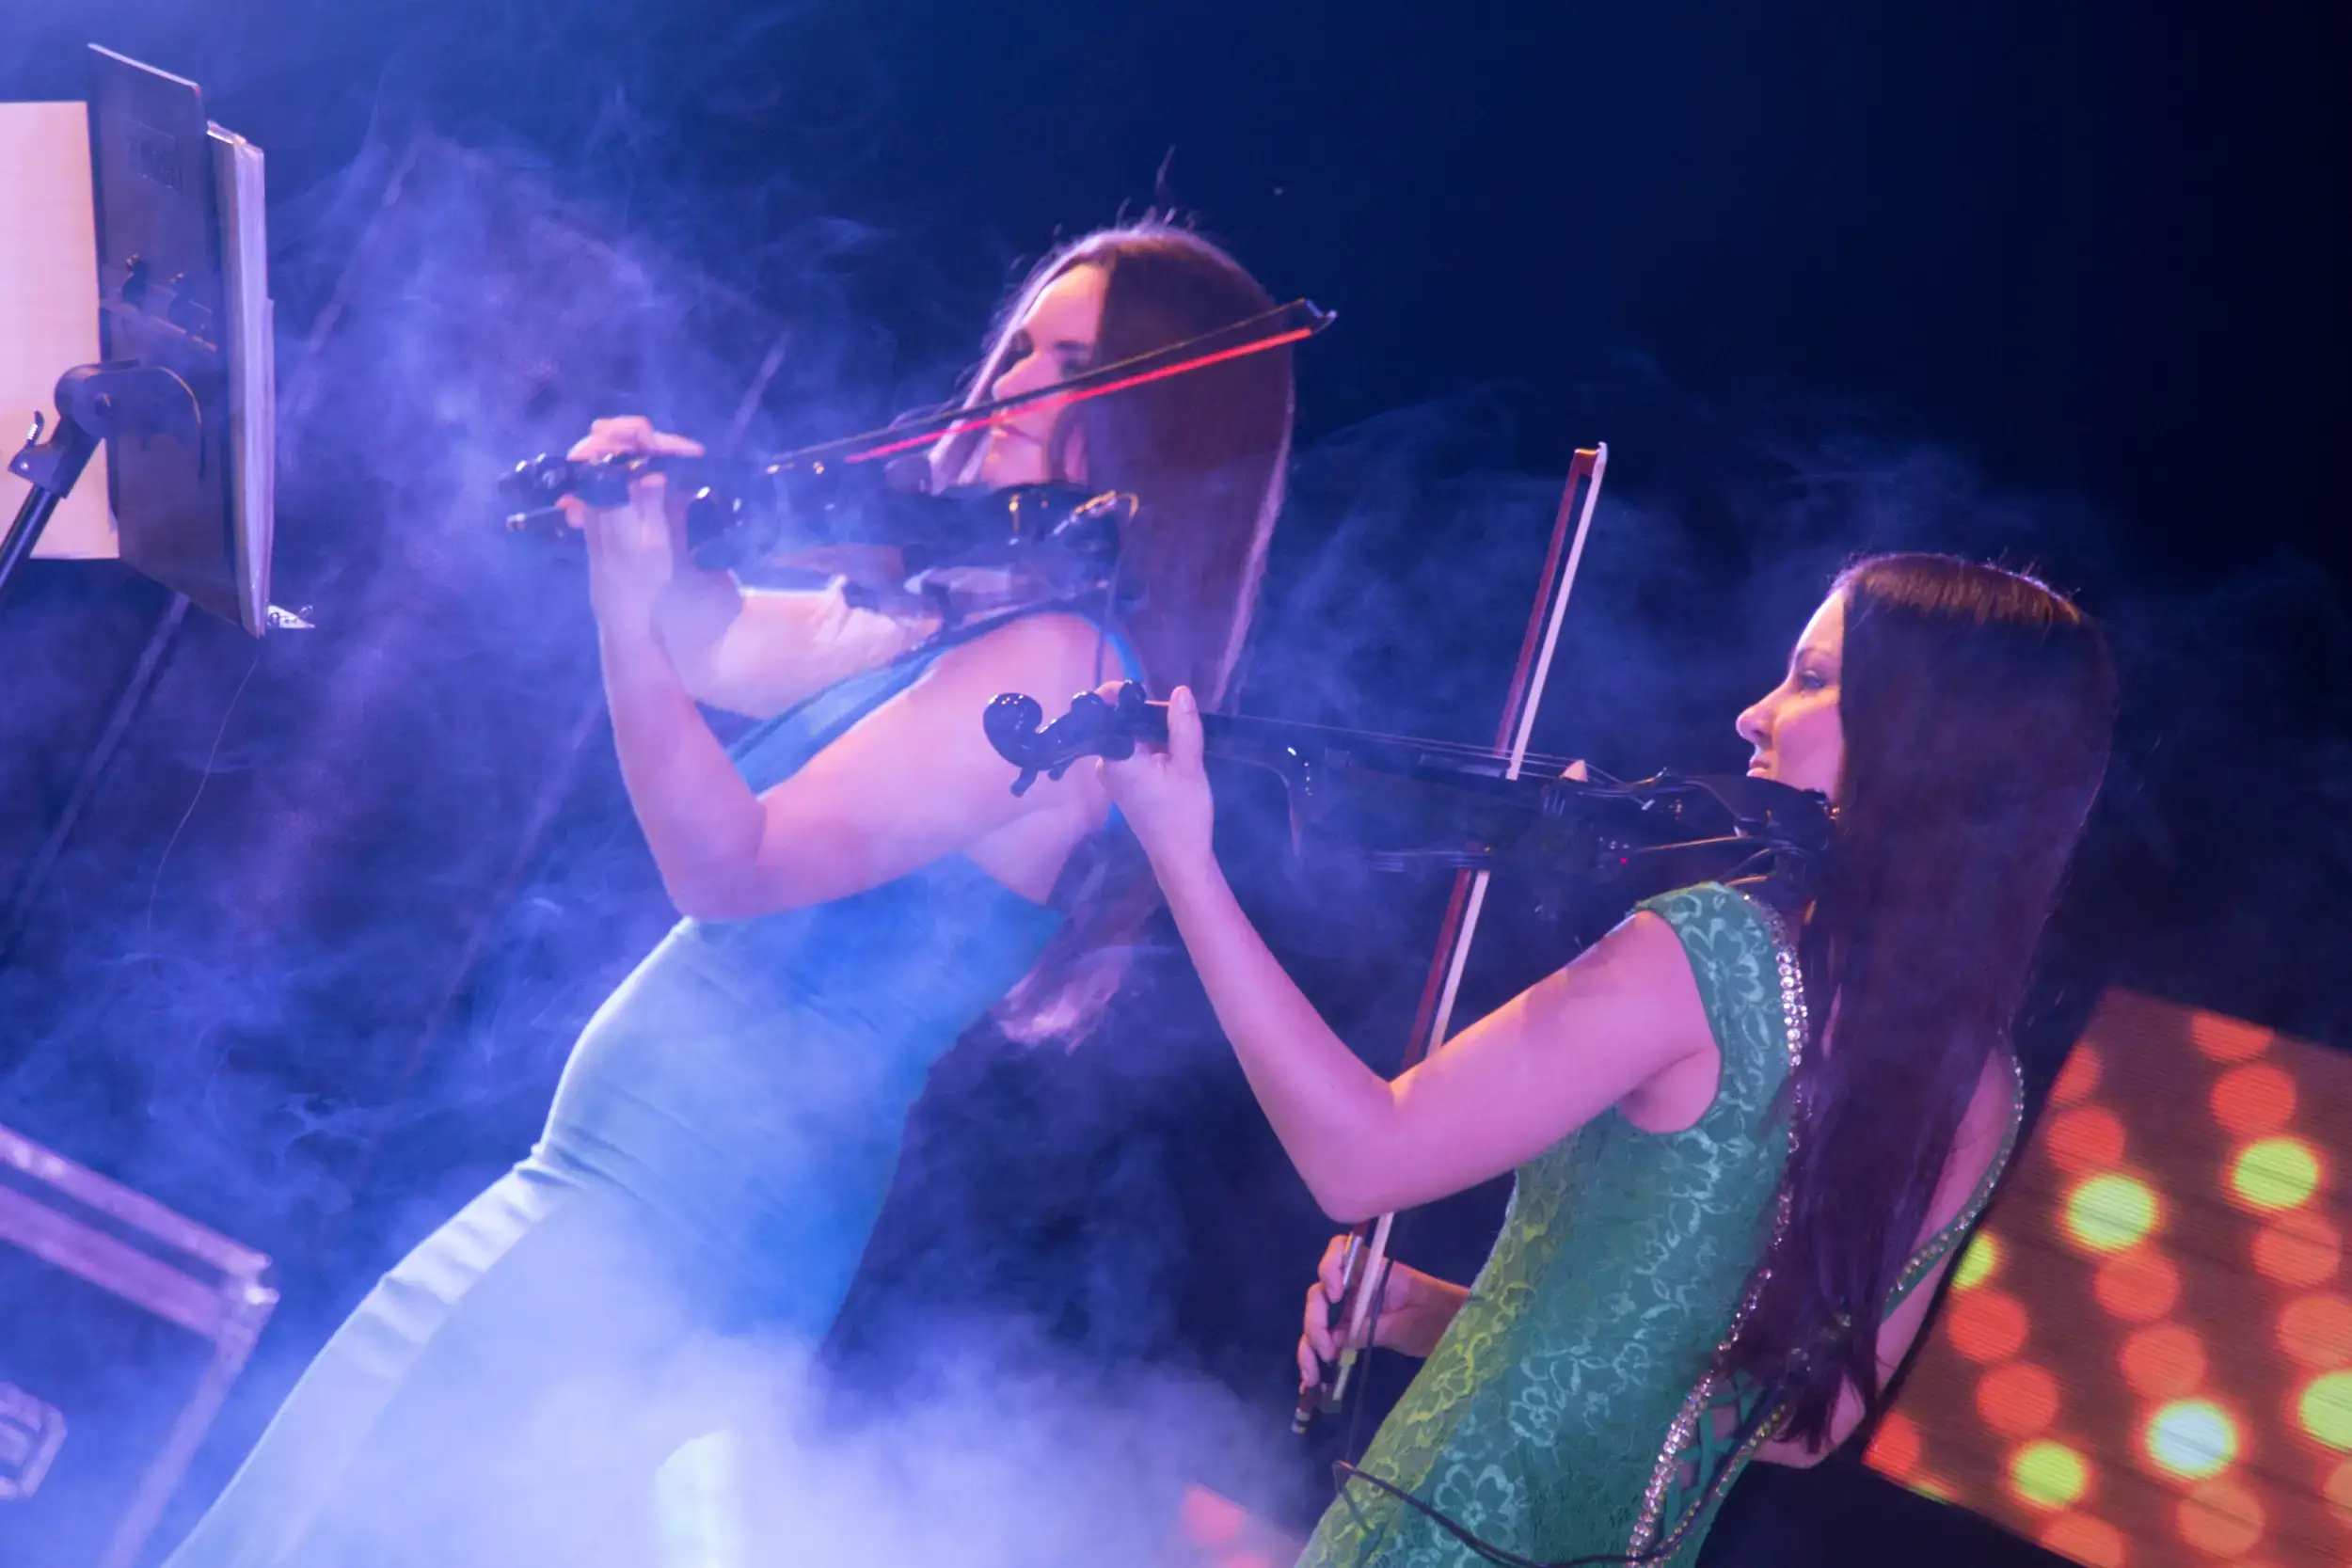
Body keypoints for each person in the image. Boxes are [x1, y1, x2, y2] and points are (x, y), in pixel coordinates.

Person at [162, 219, 1295, 1568]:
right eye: (1017, 351)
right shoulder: (958, 616)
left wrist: (627, 597)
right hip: (617, 1191)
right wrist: (639, 546)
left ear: (1157, 435)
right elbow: (705, 629)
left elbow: (731, 862)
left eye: (1073, 366)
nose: (1007, 387)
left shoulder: (1058, 664)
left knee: (345, 1520)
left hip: (680, 1219)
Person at [1098, 555, 2116, 1566]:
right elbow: (1807, 1425)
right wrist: (1475, 1321)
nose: (1753, 713)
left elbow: (1358, 1158)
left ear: (1919, 739)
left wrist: (1184, 858)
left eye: (1809, 677)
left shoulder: (1706, 952)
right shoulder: (1979, 1085)